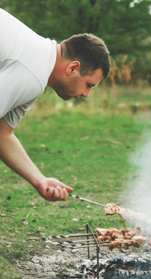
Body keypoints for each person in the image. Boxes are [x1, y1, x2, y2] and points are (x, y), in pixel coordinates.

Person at [0, 9, 110, 202]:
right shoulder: (32, 73)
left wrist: (39, 180)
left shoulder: (40, 64)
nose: (86, 94)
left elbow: (2, 134)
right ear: (73, 68)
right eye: (88, 85)